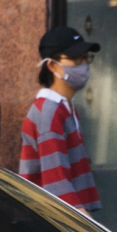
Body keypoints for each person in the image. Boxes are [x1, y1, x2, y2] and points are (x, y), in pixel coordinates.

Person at [18, 26, 100, 214]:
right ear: (52, 65)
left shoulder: (65, 107)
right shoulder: (49, 111)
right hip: (52, 220)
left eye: (86, 58)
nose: (83, 65)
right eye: (76, 59)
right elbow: (56, 181)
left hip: (62, 218)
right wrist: (85, 225)